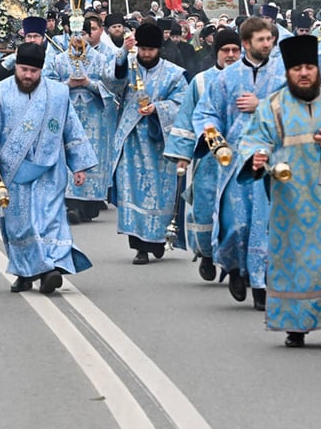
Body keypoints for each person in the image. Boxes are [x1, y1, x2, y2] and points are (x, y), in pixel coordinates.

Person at [239, 34, 321, 347]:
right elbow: (254, 140)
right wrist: (256, 157)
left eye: (309, 67)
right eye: (297, 68)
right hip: (293, 200)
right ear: (288, 72)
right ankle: (295, 325)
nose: (304, 73)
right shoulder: (272, 107)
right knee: (295, 261)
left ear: (317, 69)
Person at [0, 43, 98, 293]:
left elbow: (70, 128)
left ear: (41, 70)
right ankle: (24, 272)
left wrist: (79, 165)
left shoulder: (58, 94)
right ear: (16, 66)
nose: (27, 75)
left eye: (33, 71)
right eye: (23, 69)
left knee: (50, 220)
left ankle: (51, 267)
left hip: (50, 169)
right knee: (19, 225)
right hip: (13, 171)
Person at [192, 16, 278, 308]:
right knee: (235, 226)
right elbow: (206, 115)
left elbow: (298, 106)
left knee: (266, 227)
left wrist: (262, 105)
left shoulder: (282, 75)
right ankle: (233, 269)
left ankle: (261, 287)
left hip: (271, 161)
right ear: (246, 44)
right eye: (261, 40)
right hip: (233, 166)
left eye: (270, 39)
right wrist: (218, 147)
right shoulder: (225, 79)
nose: (267, 44)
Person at [165, 27, 242, 282]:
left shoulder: (249, 79)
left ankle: (234, 266)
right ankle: (207, 256)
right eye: (225, 50)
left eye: (235, 50)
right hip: (208, 159)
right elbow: (187, 119)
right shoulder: (200, 81)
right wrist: (183, 155)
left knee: (236, 212)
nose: (231, 55)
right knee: (205, 208)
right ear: (216, 52)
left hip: (241, 159)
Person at [107, 21, 188, 264]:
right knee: (131, 188)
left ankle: (157, 240)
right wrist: (123, 52)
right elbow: (110, 81)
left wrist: (158, 108)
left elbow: (183, 103)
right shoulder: (129, 65)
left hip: (159, 143)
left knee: (160, 194)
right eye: (142, 49)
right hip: (131, 139)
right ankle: (139, 246)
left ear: (158, 49)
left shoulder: (173, 73)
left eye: (150, 50)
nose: (145, 54)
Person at [44, 18, 116, 224]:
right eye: (73, 35)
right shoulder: (58, 60)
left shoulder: (101, 60)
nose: (78, 39)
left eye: (82, 34)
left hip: (95, 118)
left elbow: (112, 89)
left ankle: (87, 206)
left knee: (91, 157)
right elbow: (48, 87)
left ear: (88, 36)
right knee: (69, 155)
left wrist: (88, 84)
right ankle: (70, 205)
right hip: (67, 115)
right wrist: (68, 84)